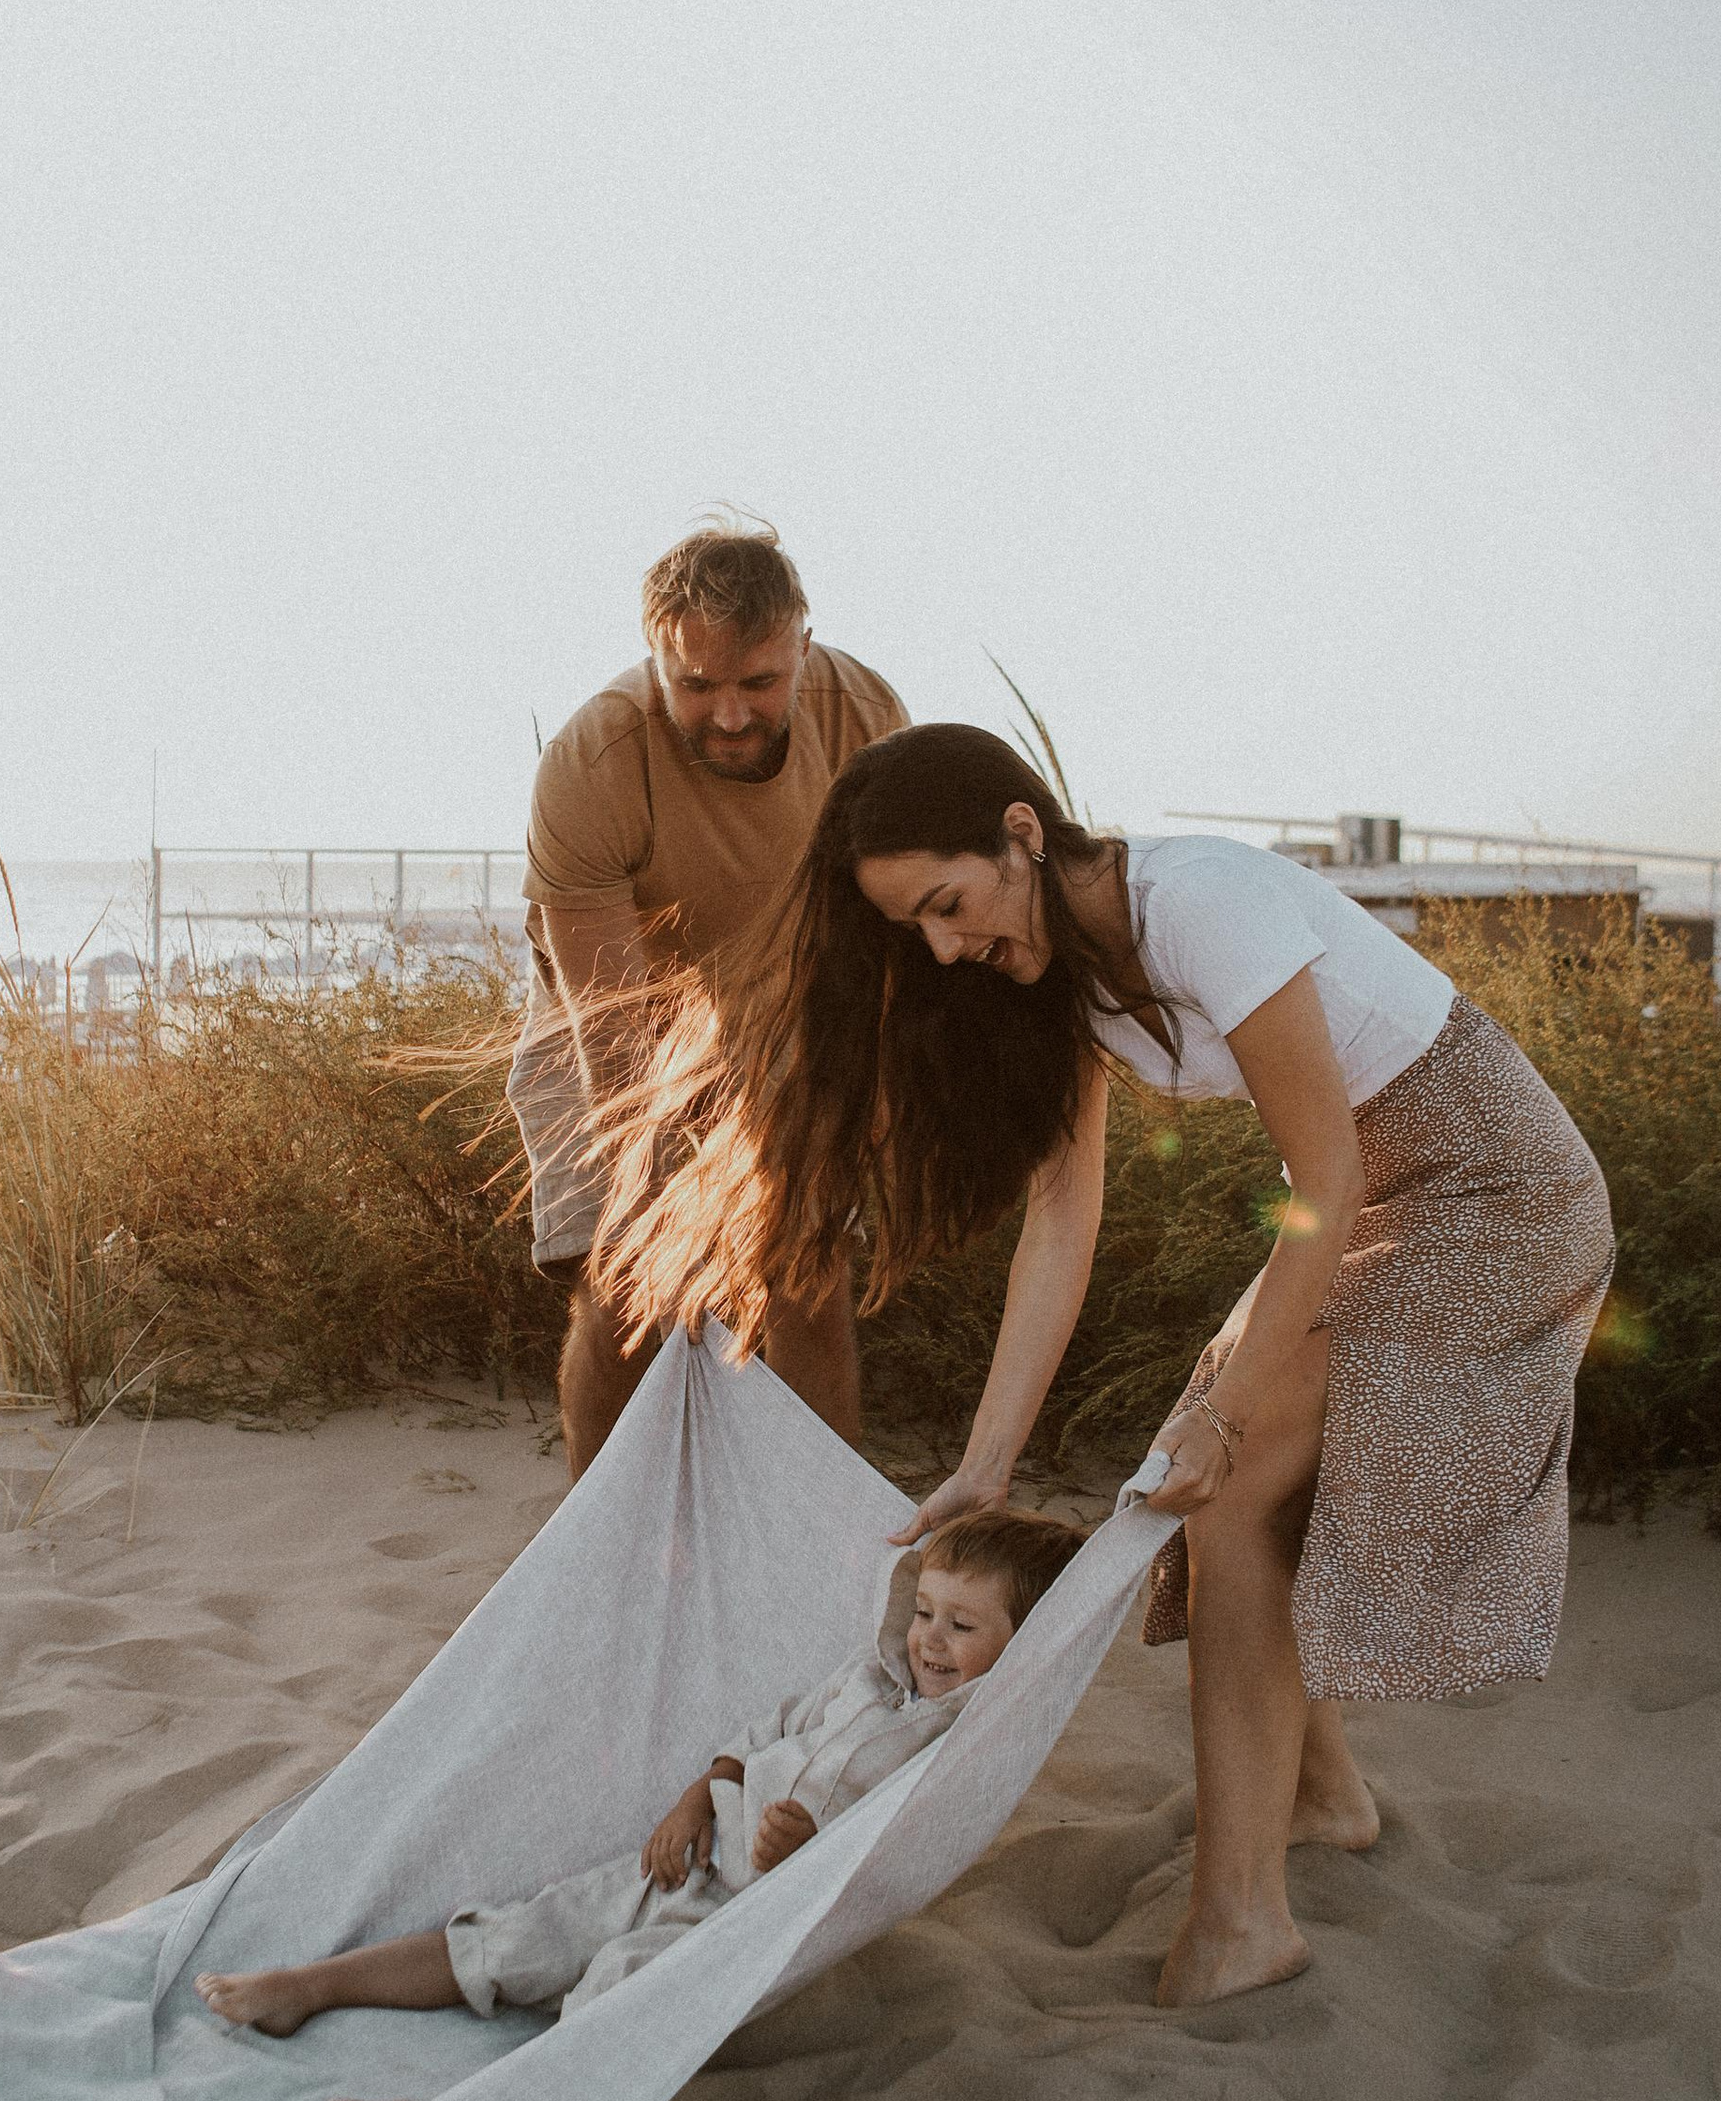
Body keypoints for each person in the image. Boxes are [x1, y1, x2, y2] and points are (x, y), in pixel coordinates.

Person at [592, 724, 1615, 2012]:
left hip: (1494, 1190)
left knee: (1230, 1483)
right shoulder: (1057, 981)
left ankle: (1242, 1922)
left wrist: (1235, 1415)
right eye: (919, 930)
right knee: (1209, 1452)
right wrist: (987, 1461)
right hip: (1375, 1199)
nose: (948, 948)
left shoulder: (1199, 903)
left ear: (1023, 833)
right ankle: (1321, 1793)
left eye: (949, 905)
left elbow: (1332, 1172)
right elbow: (1061, 1223)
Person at [196, 1505, 1084, 2042]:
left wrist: (809, 1842)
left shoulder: (954, 1750)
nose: (930, 1639)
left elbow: (888, 1859)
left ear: (1019, 1647)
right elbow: (760, 1732)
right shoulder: (864, 1677)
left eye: (963, 1628)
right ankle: (313, 1986)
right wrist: (695, 1798)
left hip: (740, 1916)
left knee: (614, 1994)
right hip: (685, 1860)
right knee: (521, 1933)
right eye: (924, 1611)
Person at [510, 522, 906, 1472]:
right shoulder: (594, 759)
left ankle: (820, 1533)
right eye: (695, 687)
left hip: (789, 999)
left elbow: (890, 928)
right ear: (656, 662)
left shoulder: (865, 717)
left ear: (802, 649)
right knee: (632, 1274)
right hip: (619, 1008)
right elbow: (613, 1029)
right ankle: (603, 1530)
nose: (729, 714)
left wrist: (837, 1105)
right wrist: (680, 1177)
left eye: (759, 683)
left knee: (808, 1263)